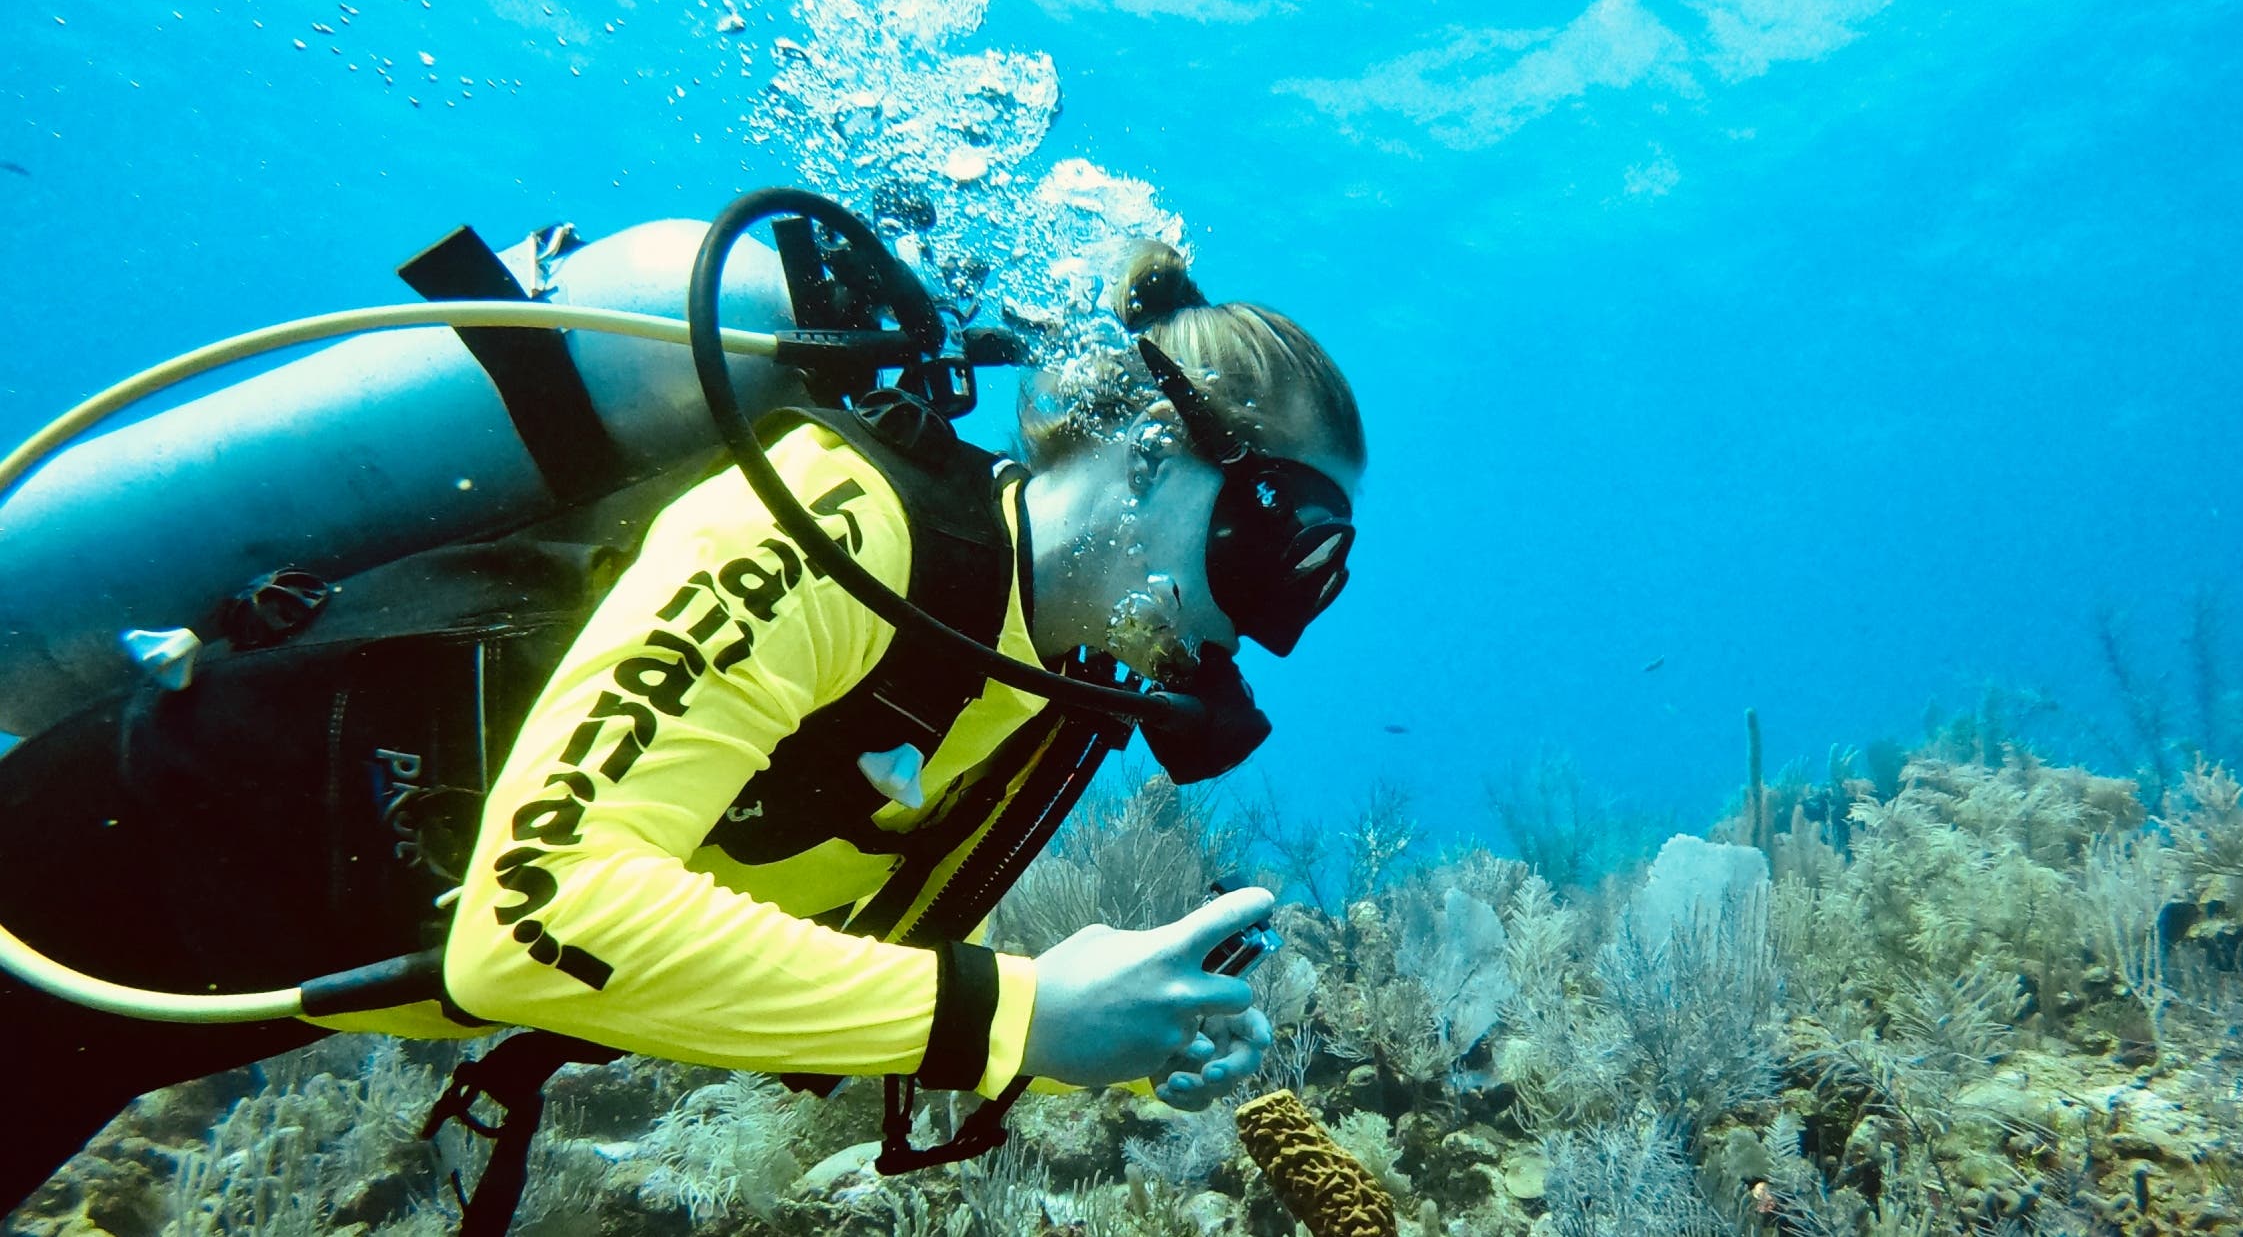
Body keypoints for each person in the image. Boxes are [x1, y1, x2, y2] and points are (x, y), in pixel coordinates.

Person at [0, 230, 1365, 1221]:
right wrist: (1022, 1013)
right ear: (1143, 443)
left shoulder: (1045, 698)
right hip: (102, 861)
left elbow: (825, 980)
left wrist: (1100, 1039)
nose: (1272, 628)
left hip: (247, 964)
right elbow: (536, 916)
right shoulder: (836, 523)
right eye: (1281, 545)